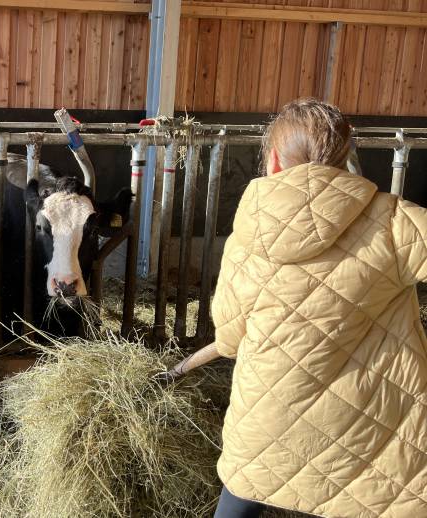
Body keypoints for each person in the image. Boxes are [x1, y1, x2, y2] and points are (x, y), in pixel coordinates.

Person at [163, 98, 427, 517]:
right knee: (375, 496)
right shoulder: (396, 222)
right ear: (345, 156)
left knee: (245, 489)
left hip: (269, 423)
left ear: (273, 160)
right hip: (373, 432)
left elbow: (230, 338)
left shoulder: (248, 234)